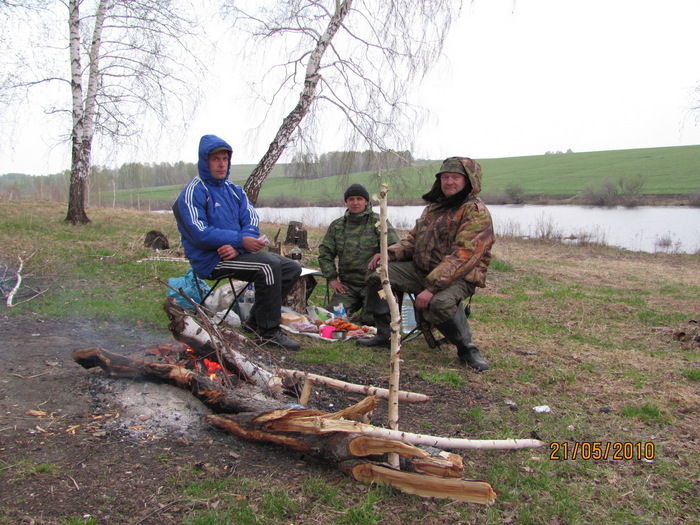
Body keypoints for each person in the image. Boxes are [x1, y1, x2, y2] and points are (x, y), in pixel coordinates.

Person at [357, 157, 495, 371]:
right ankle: (386, 334)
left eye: (455, 178)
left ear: (469, 181)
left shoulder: (475, 212)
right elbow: (412, 241)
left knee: (439, 304)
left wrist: (431, 288)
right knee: (378, 275)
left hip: (459, 277)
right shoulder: (434, 209)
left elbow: (463, 256)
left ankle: (466, 348)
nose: (449, 182)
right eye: (445, 177)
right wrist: (387, 255)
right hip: (421, 270)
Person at [173, 134, 302, 350]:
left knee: (292, 267)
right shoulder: (194, 191)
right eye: (216, 159)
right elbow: (199, 233)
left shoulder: (235, 191)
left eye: (225, 159)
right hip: (211, 260)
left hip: (236, 253)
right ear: (205, 161)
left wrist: (238, 246)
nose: (222, 164)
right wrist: (239, 240)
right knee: (268, 267)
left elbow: (251, 221)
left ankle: (253, 322)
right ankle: (268, 332)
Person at [318, 184, 399, 325]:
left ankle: (363, 317)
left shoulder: (379, 222)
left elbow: (395, 247)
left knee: (372, 320)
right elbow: (325, 254)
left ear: (366, 201)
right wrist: (332, 278)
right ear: (346, 202)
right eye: (351, 199)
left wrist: (382, 254)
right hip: (347, 285)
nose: (355, 203)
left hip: (373, 285)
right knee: (331, 317)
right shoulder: (337, 226)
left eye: (359, 199)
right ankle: (353, 317)